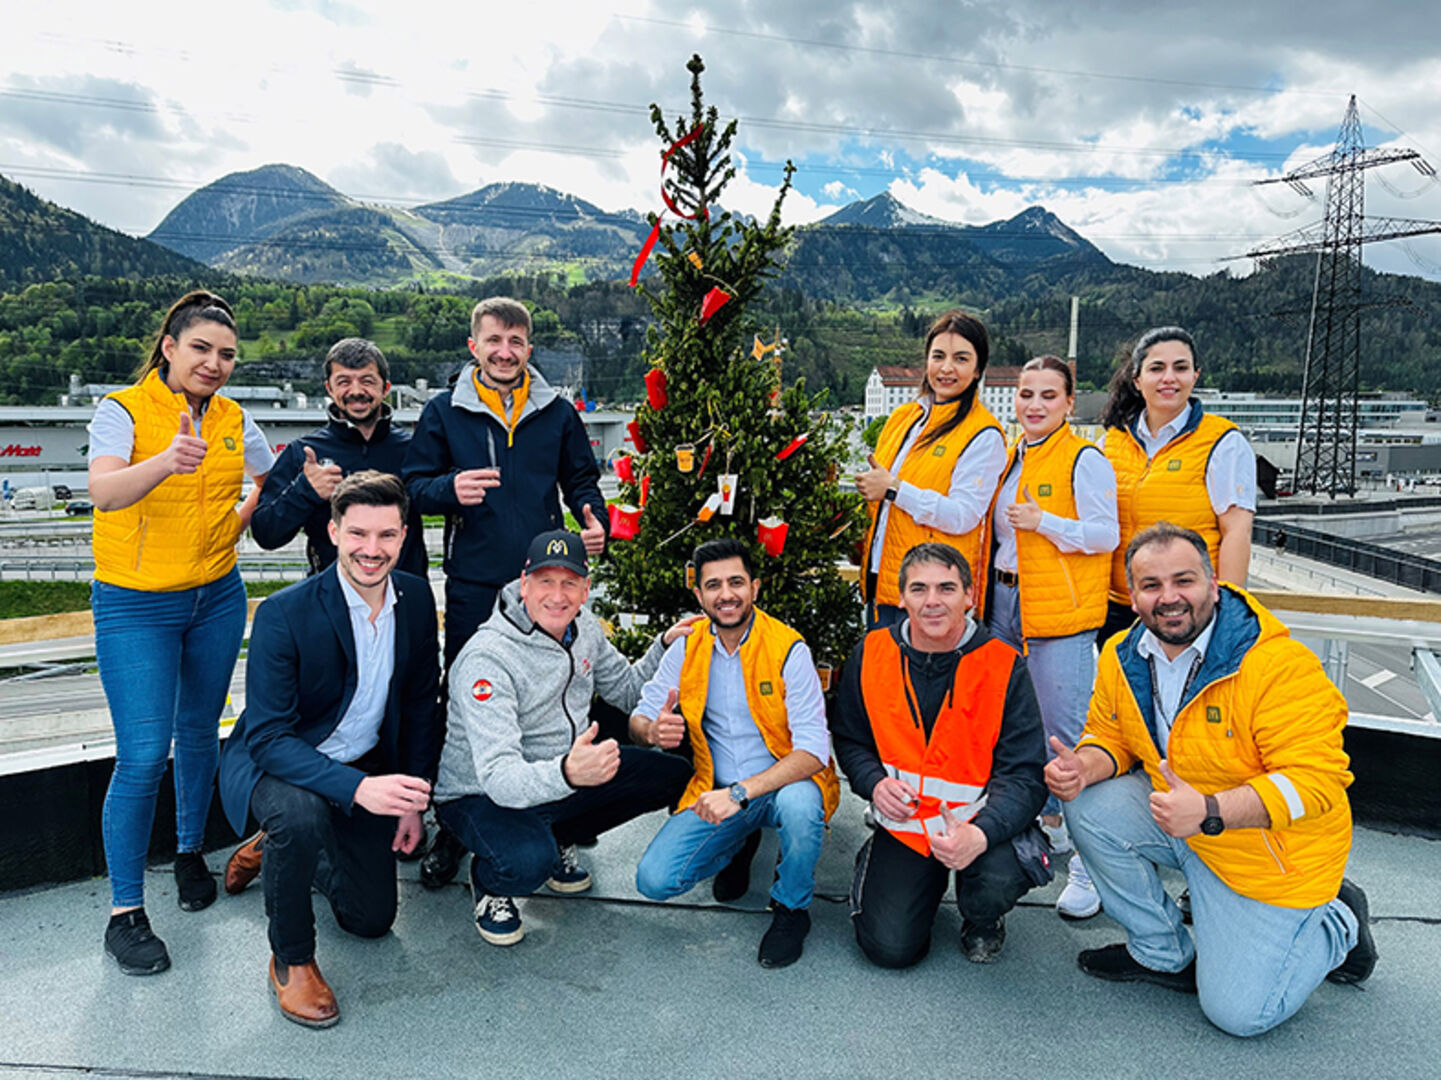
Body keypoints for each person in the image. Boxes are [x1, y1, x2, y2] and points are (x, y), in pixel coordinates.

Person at [1046, 522, 1376, 1037]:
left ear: (1214, 584)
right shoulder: (1121, 654)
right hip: (1188, 825)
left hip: (1265, 855)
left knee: (1241, 1015)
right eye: (1151, 585)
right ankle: (1162, 954)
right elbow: (1111, 736)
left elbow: (1316, 783)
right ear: (1132, 597)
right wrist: (1082, 767)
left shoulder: (1276, 665)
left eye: (1184, 580)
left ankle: (1336, 921)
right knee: (1088, 805)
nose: (1169, 597)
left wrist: (1211, 811)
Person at [88, 290, 273, 976]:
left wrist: (241, 517)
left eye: (227, 354)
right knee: (141, 754)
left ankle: (190, 852)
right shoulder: (122, 409)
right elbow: (104, 492)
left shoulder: (233, 417)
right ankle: (125, 912)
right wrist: (165, 461)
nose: (215, 363)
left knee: (200, 730)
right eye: (201, 348)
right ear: (169, 347)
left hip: (217, 597)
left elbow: (268, 478)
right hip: (136, 605)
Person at [217, 472, 441, 1028]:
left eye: (387, 535)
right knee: (299, 812)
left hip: (361, 764)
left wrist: (411, 797)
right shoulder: (284, 613)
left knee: (370, 920)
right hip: (283, 763)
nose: (372, 550)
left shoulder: (415, 599)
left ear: (405, 534)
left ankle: (277, 852)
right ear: (334, 531)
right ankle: (290, 960)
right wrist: (360, 789)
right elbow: (268, 738)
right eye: (359, 533)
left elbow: (419, 706)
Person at [403, 296, 608, 887]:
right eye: (494, 340)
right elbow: (412, 488)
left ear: (529, 349)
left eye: (516, 342)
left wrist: (592, 518)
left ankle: (548, 825)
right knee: (464, 701)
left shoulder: (557, 412)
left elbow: (580, 480)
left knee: (552, 698)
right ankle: (454, 824)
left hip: (546, 585)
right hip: (475, 582)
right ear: (474, 347)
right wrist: (450, 487)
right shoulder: (444, 412)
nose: (504, 352)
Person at [434, 530, 695, 946]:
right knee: (526, 865)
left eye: (569, 582)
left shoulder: (582, 626)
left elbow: (627, 689)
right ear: (524, 584)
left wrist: (664, 644)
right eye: (545, 581)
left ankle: (556, 836)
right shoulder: (488, 658)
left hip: (560, 776)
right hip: (479, 794)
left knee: (669, 774)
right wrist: (569, 773)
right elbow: (500, 777)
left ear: (586, 589)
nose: (557, 595)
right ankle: (490, 881)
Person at [834, 542, 1048, 968]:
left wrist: (981, 834)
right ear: (901, 598)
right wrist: (874, 785)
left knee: (998, 876)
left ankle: (983, 917)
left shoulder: (1004, 664)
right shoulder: (871, 653)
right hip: (907, 823)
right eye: (919, 589)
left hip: (982, 821)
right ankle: (888, 866)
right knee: (890, 950)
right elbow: (850, 740)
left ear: (970, 595)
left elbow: (1024, 774)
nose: (932, 602)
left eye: (946, 588)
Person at [633, 538, 839, 969]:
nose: (726, 594)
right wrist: (652, 729)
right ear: (698, 594)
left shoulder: (788, 649)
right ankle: (739, 840)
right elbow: (640, 715)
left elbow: (814, 751)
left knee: (802, 808)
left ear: (755, 588)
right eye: (713, 585)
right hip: (718, 788)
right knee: (654, 880)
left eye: (736, 582)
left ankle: (791, 910)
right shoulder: (687, 648)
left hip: (782, 784)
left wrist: (742, 793)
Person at [978, 356, 1118, 920]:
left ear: (1068, 402)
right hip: (1005, 604)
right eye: (1025, 394)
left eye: (1047, 396)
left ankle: (1091, 867)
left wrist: (1046, 523)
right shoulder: (1017, 456)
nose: (1034, 405)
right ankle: (1050, 827)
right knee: (1012, 726)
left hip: (1058, 613)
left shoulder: (1084, 458)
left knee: (1065, 737)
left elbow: (1106, 534)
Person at [1096, 326, 1255, 645]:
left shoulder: (1222, 442)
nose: (1169, 377)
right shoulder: (1108, 444)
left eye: (1180, 368)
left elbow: (1237, 531)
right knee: (1123, 694)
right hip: (1116, 607)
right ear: (1137, 380)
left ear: (1195, 376)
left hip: (1185, 608)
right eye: (1157, 368)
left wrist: (1228, 612)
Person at [856, 310, 1007, 628]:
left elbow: (964, 516)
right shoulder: (903, 418)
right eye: (938, 356)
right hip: (880, 581)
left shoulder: (983, 434)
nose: (947, 368)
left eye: (961, 359)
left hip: (932, 592)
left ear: (978, 369)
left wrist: (895, 489)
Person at [251, 337, 427, 579]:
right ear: (329, 389)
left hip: (405, 599)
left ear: (385, 388)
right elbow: (266, 534)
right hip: (330, 600)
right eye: (344, 382)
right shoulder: (303, 453)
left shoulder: (414, 449)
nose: (356, 391)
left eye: (367, 381)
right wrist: (304, 491)